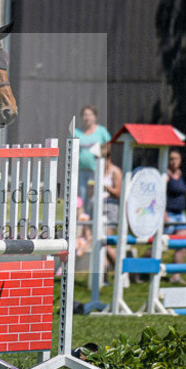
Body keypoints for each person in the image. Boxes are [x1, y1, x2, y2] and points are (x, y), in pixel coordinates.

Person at [163, 149, 186, 284]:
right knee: (160, 246)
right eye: (171, 159)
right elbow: (159, 195)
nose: (173, 161)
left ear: (180, 160)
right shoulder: (165, 175)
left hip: (181, 215)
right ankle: (139, 268)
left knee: (182, 245)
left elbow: (182, 194)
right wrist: (163, 214)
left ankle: (175, 276)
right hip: (169, 215)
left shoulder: (180, 175)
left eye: (176, 159)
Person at [74, 105, 111, 207]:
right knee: (81, 195)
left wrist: (101, 156)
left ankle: (93, 220)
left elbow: (108, 147)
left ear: (95, 117)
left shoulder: (101, 132)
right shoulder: (76, 132)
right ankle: (82, 219)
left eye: (90, 115)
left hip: (96, 170)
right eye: (85, 115)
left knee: (94, 197)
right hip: (81, 170)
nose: (87, 118)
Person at [99, 142, 122, 276]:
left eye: (105, 157)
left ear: (109, 158)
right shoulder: (98, 171)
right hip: (98, 207)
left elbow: (118, 193)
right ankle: (105, 276)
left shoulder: (115, 171)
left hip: (110, 207)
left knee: (105, 242)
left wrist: (104, 186)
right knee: (100, 243)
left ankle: (121, 269)